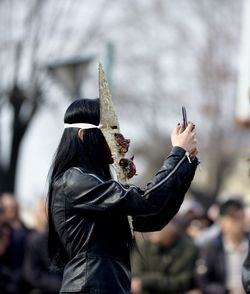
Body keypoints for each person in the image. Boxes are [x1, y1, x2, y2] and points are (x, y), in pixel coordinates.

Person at [47, 68, 198, 294]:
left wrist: (186, 163)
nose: (119, 141)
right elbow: (147, 200)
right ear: (83, 136)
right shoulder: (74, 180)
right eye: (109, 133)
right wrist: (177, 153)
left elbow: (154, 217)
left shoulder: (92, 181)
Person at [131, 216, 199, 294]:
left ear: (172, 228)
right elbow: (136, 276)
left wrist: (148, 281)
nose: (152, 231)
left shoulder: (188, 248)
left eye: (158, 226)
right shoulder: (144, 245)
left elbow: (180, 283)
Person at [196, 198, 248, 294]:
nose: (237, 223)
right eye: (232, 218)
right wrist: (228, 291)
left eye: (240, 217)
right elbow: (203, 282)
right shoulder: (211, 246)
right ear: (222, 222)